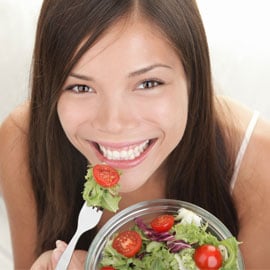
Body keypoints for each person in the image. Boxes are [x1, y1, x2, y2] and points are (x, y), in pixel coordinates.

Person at [0, 0, 270, 269]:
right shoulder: (20, 141)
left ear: (193, 79)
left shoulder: (258, 160)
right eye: (80, 87)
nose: (114, 123)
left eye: (148, 83)